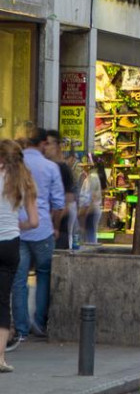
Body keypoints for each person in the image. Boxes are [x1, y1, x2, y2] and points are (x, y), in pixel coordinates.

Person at [9, 129, 64, 346]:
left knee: (19, 279)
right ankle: (40, 323)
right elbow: (58, 203)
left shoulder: (16, 167)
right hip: (42, 228)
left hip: (18, 228)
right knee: (44, 275)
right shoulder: (51, 167)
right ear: (42, 144)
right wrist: (56, 226)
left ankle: (21, 328)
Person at [0, 140, 39, 361]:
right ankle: (1, 358)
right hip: (11, 244)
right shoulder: (25, 182)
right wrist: (16, 225)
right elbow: (34, 221)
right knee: (3, 301)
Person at [77, 155, 107, 245]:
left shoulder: (92, 177)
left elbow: (89, 195)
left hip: (90, 209)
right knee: (91, 234)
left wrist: (84, 211)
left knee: (89, 236)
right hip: (93, 208)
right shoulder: (94, 177)